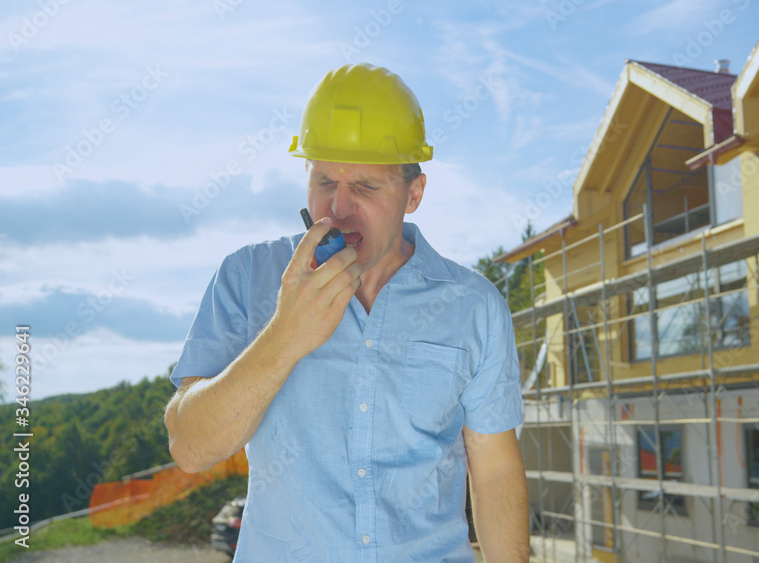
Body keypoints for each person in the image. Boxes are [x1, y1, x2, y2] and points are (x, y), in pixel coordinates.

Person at [164, 63, 528, 562]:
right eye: (324, 180)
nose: (337, 209)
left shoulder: (474, 306)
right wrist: (286, 336)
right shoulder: (246, 277)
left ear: (414, 194)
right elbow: (190, 447)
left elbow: (494, 471)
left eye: (366, 187)